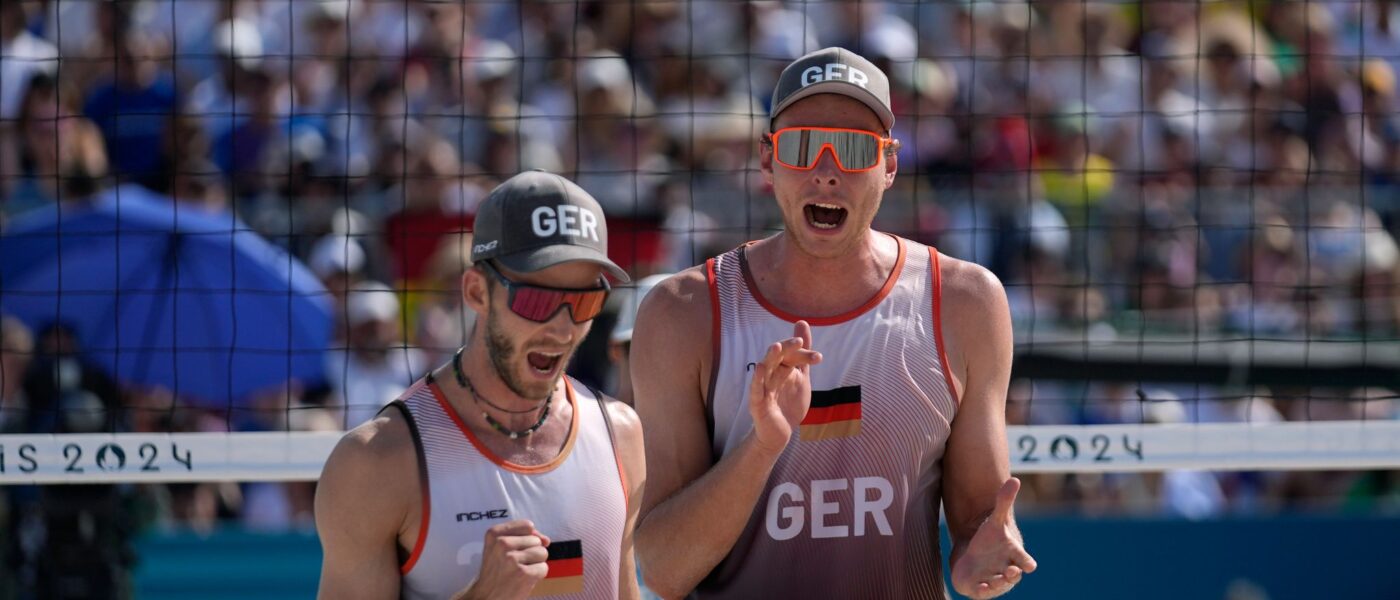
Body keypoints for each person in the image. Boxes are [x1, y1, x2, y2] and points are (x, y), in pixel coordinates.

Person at [632, 48, 1036, 599]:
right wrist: (763, 447)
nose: (826, 171)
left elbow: (977, 527)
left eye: (852, 149)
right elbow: (661, 569)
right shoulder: (681, 312)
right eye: (802, 147)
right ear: (768, 161)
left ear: (889, 165)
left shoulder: (964, 303)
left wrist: (981, 556)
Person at [315, 170, 645, 600]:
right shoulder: (378, 462)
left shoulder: (620, 433)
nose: (562, 329)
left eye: (585, 300)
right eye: (537, 300)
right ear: (476, 292)